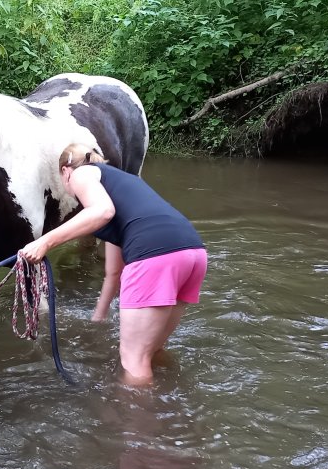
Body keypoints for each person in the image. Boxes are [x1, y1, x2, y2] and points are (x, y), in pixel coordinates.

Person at [18, 143, 207, 387]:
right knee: (152, 350)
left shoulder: (81, 174)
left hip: (153, 254)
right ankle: (170, 398)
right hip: (192, 253)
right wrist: (100, 315)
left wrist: (44, 242)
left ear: (65, 171)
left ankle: (137, 412)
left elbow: (102, 211)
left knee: (134, 360)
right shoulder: (120, 185)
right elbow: (114, 272)